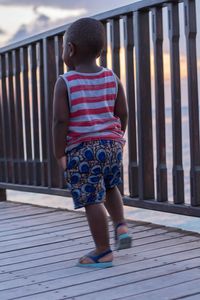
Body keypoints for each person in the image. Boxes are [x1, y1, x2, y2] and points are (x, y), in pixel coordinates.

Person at [52, 17, 131, 268]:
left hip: (83, 150)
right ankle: (121, 226)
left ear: (71, 50)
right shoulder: (111, 76)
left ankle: (103, 250)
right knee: (110, 186)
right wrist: (118, 138)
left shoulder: (66, 81)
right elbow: (123, 112)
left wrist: (59, 153)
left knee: (91, 199)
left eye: (64, 47)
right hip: (111, 146)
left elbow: (60, 121)